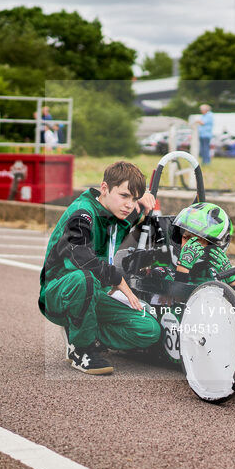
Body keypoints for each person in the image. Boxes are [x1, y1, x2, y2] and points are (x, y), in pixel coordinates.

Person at [39, 161, 160, 375]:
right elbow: (82, 258)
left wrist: (142, 195)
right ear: (104, 188)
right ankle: (80, 349)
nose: (129, 205)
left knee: (149, 331)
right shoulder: (81, 213)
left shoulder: (117, 213)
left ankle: (81, 330)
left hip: (95, 292)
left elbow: (134, 214)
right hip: (61, 292)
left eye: (133, 199)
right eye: (124, 196)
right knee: (84, 277)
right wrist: (117, 279)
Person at [172, 202, 235, 286]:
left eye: (196, 240)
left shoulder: (215, 274)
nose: (188, 245)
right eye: (185, 237)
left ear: (212, 247)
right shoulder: (166, 266)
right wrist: (183, 268)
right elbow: (177, 297)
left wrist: (232, 281)